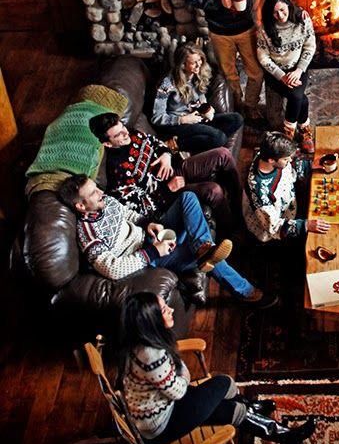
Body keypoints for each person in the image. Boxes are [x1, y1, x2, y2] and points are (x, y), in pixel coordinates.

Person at [119, 291, 315, 444]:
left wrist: (179, 373)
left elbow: (173, 378)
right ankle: (286, 435)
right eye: (163, 310)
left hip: (161, 407)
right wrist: (184, 375)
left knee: (231, 398)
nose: (170, 309)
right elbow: (179, 390)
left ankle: (264, 419)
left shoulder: (139, 342)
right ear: (150, 321)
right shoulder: (151, 354)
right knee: (225, 385)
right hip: (161, 424)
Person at [59, 175, 277, 308]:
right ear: (80, 206)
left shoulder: (106, 201)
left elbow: (129, 215)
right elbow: (113, 270)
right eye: (93, 192)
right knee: (207, 258)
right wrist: (153, 252)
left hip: (151, 237)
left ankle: (203, 246)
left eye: (96, 187)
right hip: (146, 258)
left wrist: (148, 224)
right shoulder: (87, 235)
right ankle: (245, 292)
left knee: (187, 198)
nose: (100, 192)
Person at [88, 112, 243, 229]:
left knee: (223, 154)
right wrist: (168, 190)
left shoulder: (132, 133)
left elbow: (156, 143)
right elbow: (138, 208)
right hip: (166, 197)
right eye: (118, 134)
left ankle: (240, 204)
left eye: (123, 126)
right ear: (108, 144)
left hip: (174, 168)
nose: (125, 133)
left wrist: (166, 155)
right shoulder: (117, 171)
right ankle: (231, 228)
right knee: (214, 191)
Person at [187, 0, 279, 122]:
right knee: (230, 74)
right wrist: (217, 3)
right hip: (220, 33)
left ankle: (251, 106)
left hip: (247, 28)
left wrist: (281, 3)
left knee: (256, 72)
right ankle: (238, 108)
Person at [151, 41, 243, 155]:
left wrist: (206, 109)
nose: (199, 65)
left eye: (200, 60)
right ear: (183, 65)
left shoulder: (197, 75)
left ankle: (202, 143)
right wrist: (182, 120)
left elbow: (200, 100)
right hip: (177, 125)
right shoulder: (167, 84)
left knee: (237, 119)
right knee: (220, 138)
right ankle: (176, 145)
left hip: (196, 119)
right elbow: (156, 117)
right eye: (194, 63)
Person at [257, 0, 316, 154]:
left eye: (283, 10)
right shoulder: (265, 29)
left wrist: (299, 70)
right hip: (276, 73)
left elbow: (310, 47)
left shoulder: (303, 20)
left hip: (298, 69)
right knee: (299, 98)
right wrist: (281, 76)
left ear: (289, 6)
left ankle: (287, 135)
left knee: (297, 96)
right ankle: (303, 132)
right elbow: (263, 57)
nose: (280, 16)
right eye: (275, 12)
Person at [243, 131, 330, 243]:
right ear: (271, 160)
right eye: (286, 159)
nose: (289, 160)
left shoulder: (267, 154)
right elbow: (273, 227)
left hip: (289, 207)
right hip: (274, 230)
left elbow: (291, 167)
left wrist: (310, 165)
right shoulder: (259, 190)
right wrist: (305, 225)